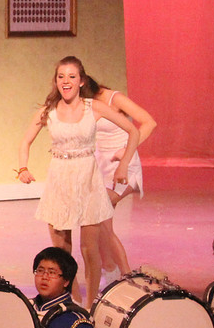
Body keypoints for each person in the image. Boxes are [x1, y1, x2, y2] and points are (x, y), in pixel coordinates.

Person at [17, 56, 140, 305]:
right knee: (62, 251)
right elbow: (25, 141)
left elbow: (133, 131)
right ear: (56, 81)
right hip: (59, 181)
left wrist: (123, 165)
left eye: (72, 76)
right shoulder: (48, 111)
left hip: (88, 180)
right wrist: (23, 168)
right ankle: (70, 301)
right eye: (61, 76)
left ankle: (90, 305)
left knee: (89, 249)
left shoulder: (94, 107)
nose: (66, 81)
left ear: (81, 81)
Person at [81, 71, 157, 282]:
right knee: (99, 222)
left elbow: (149, 122)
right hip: (100, 167)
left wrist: (126, 151)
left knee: (99, 213)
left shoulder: (114, 98)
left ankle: (126, 276)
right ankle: (111, 271)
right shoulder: (80, 105)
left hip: (125, 166)